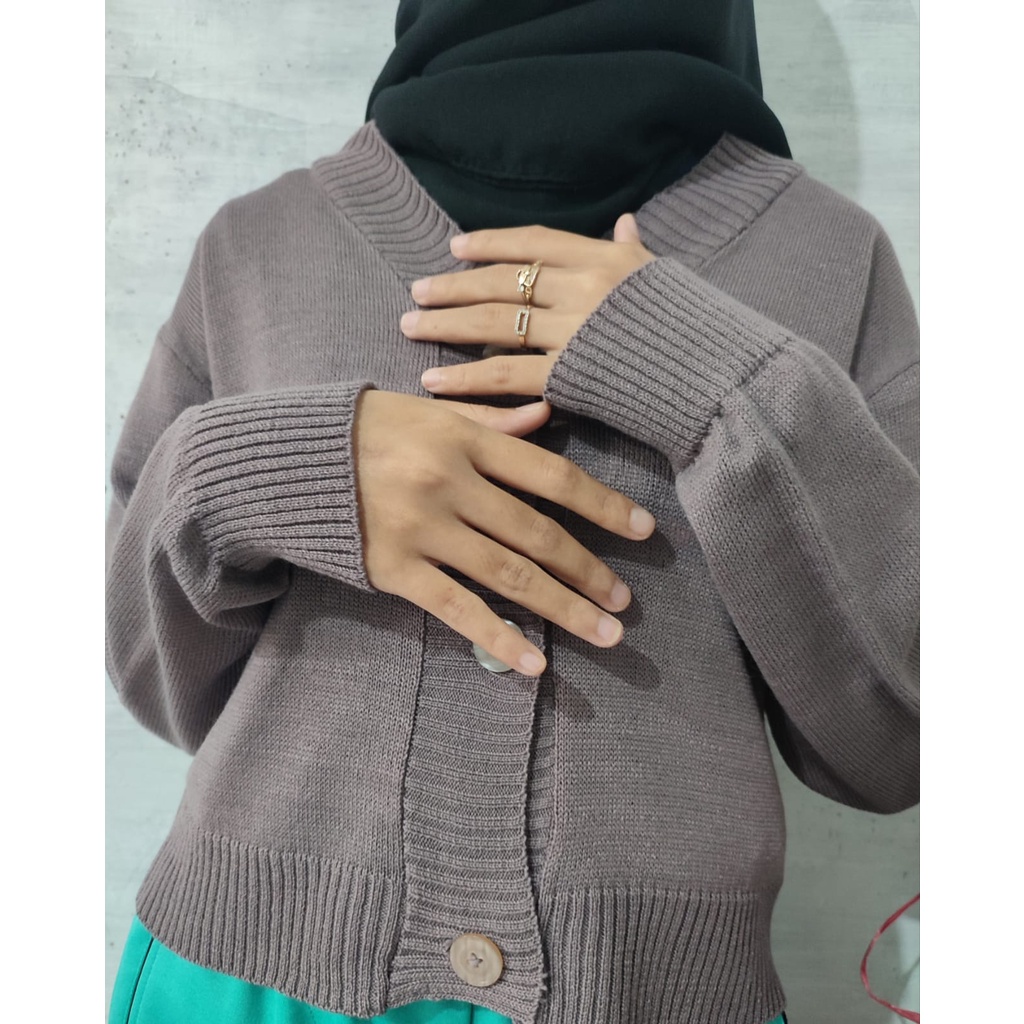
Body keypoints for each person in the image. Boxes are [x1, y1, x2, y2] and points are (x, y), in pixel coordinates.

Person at [105, 1, 919, 1022]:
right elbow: (151, 673)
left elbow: (901, 735)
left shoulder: (830, 260)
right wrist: (273, 471)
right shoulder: (260, 243)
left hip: (644, 996)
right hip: (240, 976)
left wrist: (716, 378)